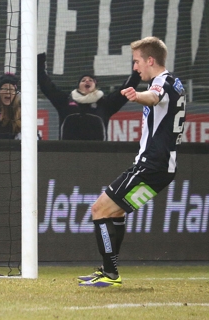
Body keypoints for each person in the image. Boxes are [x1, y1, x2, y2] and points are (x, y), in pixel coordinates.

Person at [78, 36, 186, 287]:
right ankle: (110, 271)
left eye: (137, 62)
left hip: (152, 164)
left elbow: (154, 97)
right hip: (163, 167)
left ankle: (109, 273)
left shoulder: (163, 83)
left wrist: (136, 96)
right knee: (116, 212)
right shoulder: (176, 82)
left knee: (98, 210)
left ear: (150, 60)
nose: (135, 67)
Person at [37, 53, 141, 140]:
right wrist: (40, 64)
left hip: (97, 156)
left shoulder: (105, 104)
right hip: (67, 154)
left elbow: (126, 89)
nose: (87, 81)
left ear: (95, 86)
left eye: (91, 80)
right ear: (78, 87)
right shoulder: (65, 102)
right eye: (83, 80)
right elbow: (47, 87)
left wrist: (137, 70)